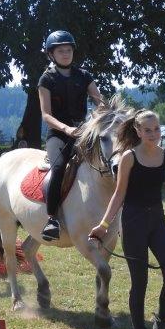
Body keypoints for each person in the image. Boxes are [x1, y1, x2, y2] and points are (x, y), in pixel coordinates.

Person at [89, 109, 165, 329]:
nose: (153, 134)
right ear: (138, 131)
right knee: (140, 281)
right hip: (133, 223)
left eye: (157, 129)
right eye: (147, 130)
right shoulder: (129, 158)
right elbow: (118, 195)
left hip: (158, 221)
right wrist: (103, 225)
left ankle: (161, 324)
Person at [38, 30, 103, 241]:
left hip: (83, 133)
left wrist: (104, 114)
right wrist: (66, 129)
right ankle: (52, 219)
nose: (66, 54)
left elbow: (99, 101)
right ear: (51, 54)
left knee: (108, 160)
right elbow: (46, 115)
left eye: (68, 50)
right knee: (58, 168)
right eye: (61, 51)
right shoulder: (46, 79)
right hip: (58, 134)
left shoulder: (84, 76)